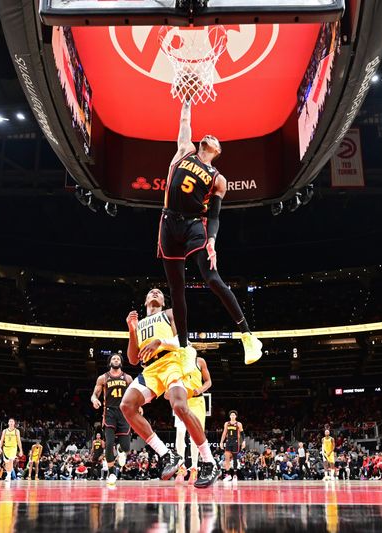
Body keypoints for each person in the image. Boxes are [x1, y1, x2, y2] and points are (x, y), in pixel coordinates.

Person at [158, 100, 262, 365]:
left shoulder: (218, 179)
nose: (209, 136)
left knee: (212, 279)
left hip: (195, 225)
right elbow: (184, 122)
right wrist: (187, 99)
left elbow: (214, 215)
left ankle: (248, 337)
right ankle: (183, 346)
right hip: (169, 222)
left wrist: (213, 241)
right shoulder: (185, 149)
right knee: (176, 288)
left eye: (214, 138)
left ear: (217, 151)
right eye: (207, 136)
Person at [120, 288, 220, 488]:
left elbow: (181, 341)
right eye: (151, 292)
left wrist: (160, 342)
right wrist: (132, 330)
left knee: (180, 407)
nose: (155, 293)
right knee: (126, 406)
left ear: (163, 302)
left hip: (172, 362)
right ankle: (167, 455)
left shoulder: (170, 314)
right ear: (146, 300)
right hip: (150, 370)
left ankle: (209, 462)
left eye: (159, 292)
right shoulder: (139, 324)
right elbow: (132, 359)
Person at [91, 354, 133, 485]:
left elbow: (134, 394)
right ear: (110, 362)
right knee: (109, 444)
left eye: (118, 359)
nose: (116, 360)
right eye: (114, 359)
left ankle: (121, 451)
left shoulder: (127, 378)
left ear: (121, 362)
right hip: (109, 412)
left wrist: (138, 407)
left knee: (126, 447)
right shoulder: (103, 378)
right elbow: (94, 394)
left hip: (124, 413)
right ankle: (111, 473)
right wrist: (94, 400)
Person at [173, 354, 212, 484]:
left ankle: (194, 468)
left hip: (197, 401)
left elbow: (208, 381)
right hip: (182, 401)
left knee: (194, 436)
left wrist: (200, 389)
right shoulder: (175, 362)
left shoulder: (200, 361)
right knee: (179, 432)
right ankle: (181, 467)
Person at [219, 411, 242, 483]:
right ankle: (228, 475)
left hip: (235, 442)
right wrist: (221, 442)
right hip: (228, 442)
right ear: (230, 416)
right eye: (231, 415)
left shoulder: (238, 424)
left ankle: (235, 475)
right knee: (227, 459)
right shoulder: (227, 423)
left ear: (236, 416)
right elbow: (224, 433)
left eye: (234, 415)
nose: (232, 416)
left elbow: (242, 433)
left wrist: (243, 441)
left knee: (235, 458)